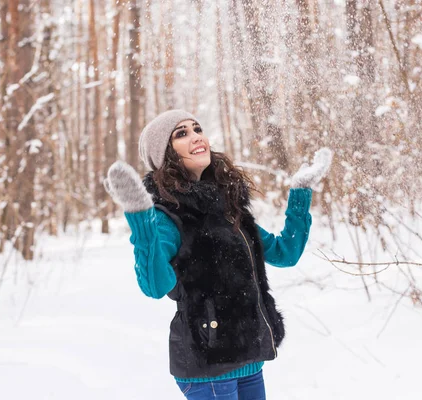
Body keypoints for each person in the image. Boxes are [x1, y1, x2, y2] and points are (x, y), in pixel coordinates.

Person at [103, 109, 332, 399]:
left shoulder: (226, 206)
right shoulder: (167, 216)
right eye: (181, 133)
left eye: (197, 128)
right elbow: (154, 285)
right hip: (206, 365)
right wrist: (141, 218)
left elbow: (285, 252)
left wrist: (300, 192)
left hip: (248, 360)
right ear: (165, 154)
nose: (196, 136)